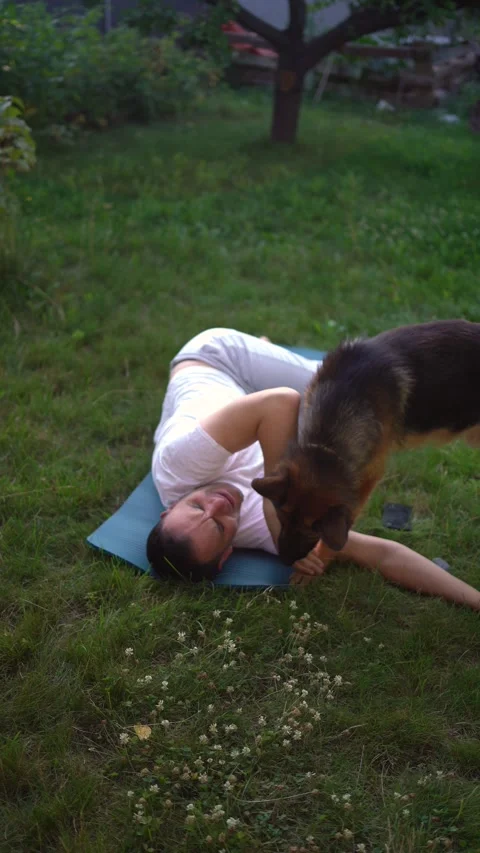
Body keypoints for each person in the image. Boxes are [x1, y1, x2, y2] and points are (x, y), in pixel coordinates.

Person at [147, 328, 480, 610]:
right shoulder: (254, 530)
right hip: (253, 412)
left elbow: (281, 402)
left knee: (348, 375)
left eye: (196, 505)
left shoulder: (178, 467)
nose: (218, 504)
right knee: (345, 404)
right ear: (227, 554)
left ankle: (262, 348)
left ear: (168, 509)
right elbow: (381, 554)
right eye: (219, 526)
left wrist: (270, 498)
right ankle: (271, 355)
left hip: (220, 363)